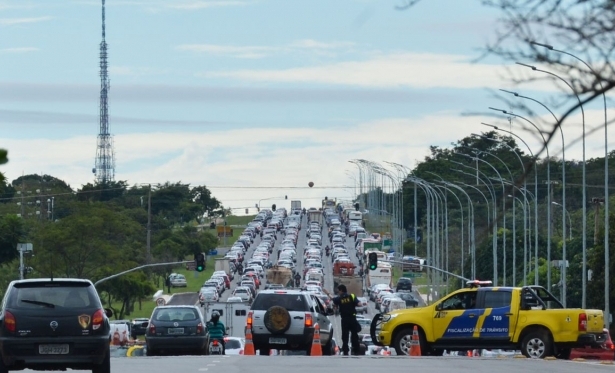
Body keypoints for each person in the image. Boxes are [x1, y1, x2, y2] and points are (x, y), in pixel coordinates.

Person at [324, 284, 360, 356]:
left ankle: (345, 350)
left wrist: (327, 293)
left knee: (345, 335)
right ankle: (356, 350)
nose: (338, 293)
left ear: (341, 290)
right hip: (353, 318)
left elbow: (333, 299)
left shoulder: (340, 298)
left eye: (338, 291)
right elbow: (359, 304)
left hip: (345, 319)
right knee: (354, 335)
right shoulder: (352, 296)